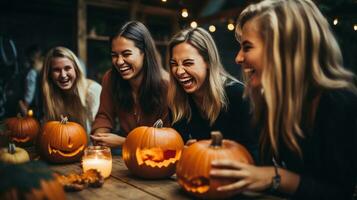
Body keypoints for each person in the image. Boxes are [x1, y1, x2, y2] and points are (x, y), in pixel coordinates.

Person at [210, 0, 357, 199]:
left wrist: (275, 177)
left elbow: (340, 193)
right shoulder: (270, 101)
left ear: (283, 49)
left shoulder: (340, 104)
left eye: (247, 47)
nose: (238, 58)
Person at [168, 27, 258, 156]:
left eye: (188, 63)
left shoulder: (239, 95)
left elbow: (255, 154)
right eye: (174, 64)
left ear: (208, 62)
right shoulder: (177, 101)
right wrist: (183, 151)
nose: (179, 71)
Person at [90, 21, 170, 148]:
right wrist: (100, 138)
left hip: (157, 158)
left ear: (144, 53)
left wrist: (124, 142)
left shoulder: (167, 85)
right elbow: (104, 116)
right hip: (125, 156)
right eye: (114, 55)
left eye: (126, 54)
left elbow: (168, 142)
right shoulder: (110, 78)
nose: (119, 61)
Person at [42, 46, 101, 134]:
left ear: (76, 69)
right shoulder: (51, 95)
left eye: (67, 68)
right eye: (56, 70)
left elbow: (98, 133)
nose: (63, 75)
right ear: (49, 74)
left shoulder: (92, 91)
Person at [18, 44, 43, 117]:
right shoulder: (46, 70)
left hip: (36, 109)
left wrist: (24, 105)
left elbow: (29, 95)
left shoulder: (32, 73)